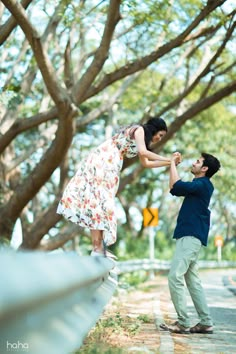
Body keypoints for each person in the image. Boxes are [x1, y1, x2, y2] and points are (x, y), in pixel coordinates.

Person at [57, 117, 173, 259]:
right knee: (101, 203)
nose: (159, 139)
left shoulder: (140, 138)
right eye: (160, 135)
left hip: (110, 162)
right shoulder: (140, 130)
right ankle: (97, 248)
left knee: (99, 204)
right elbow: (143, 153)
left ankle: (98, 249)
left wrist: (169, 163)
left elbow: (146, 163)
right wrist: (168, 159)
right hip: (104, 160)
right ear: (154, 129)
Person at [166, 152, 221, 334]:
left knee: (175, 276)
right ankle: (205, 322)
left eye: (198, 162)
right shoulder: (201, 185)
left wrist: (172, 163)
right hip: (191, 236)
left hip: (190, 236)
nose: (194, 163)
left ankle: (183, 322)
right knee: (192, 280)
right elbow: (175, 189)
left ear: (204, 169)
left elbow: (177, 185)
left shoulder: (202, 184)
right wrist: (172, 165)